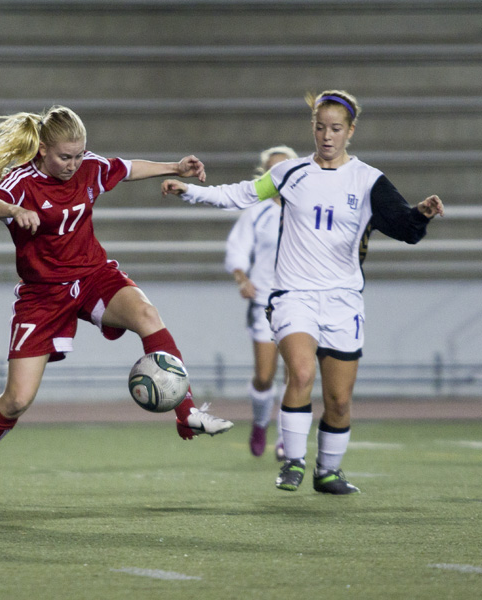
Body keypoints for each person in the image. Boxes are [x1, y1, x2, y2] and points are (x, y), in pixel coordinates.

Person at [163, 90, 444, 494]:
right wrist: (190, 191)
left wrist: (420, 214)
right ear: (312, 128)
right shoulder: (289, 173)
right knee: (301, 372)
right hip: (294, 295)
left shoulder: (368, 180)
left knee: (340, 401)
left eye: (335, 129)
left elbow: (402, 226)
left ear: (350, 131)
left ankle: (327, 472)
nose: (326, 136)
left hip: (343, 300)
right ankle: (292, 461)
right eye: (319, 127)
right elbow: (240, 194)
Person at [0, 105, 234, 484]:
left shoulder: (89, 166)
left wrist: (176, 166)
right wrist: (12, 208)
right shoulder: (21, 181)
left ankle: (186, 412)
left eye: (78, 155)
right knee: (17, 399)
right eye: (64, 156)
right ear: (42, 149)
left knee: (147, 316)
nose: (74, 164)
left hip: (92, 276)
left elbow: (127, 168)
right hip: (43, 295)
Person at [224, 146, 298, 459]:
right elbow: (237, 250)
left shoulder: (307, 209)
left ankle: (286, 439)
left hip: (301, 301)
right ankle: (259, 422)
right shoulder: (258, 211)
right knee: (265, 376)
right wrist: (243, 279)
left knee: (296, 374)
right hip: (265, 302)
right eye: (272, 170)